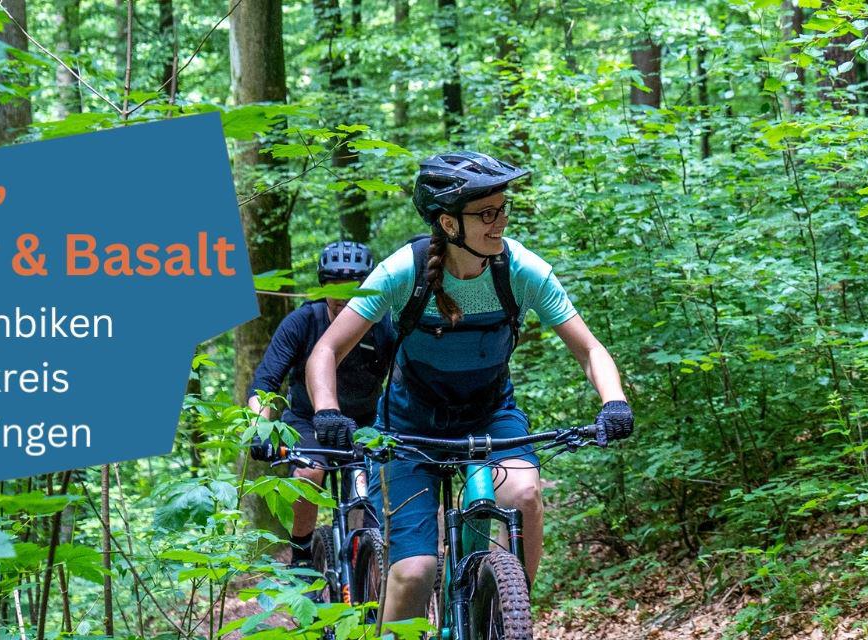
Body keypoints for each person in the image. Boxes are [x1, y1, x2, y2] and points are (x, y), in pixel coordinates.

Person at [304, 151, 633, 622]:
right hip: (409, 426)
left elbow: (590, 350)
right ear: (449, 223)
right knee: (416, 572)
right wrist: (327, 411)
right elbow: (326, 351)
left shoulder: (521, 270)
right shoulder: (403, 272)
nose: (500, 222)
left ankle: (505, 616)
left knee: (523, 495)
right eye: (486, 213)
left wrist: (614, 401)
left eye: (503, 209)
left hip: (491, 414)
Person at [247, 240, 398, 568]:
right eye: (336, 286)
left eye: (354, 287)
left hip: (363, 423)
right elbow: (265, 382)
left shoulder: (383, 327)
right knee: (309, 472)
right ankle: (301, 555)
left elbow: (405, 380)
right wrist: (260, 427)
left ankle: (367, 567)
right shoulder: (302, 322)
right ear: (323, 285)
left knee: (367, 492)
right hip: (306, 421)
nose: (344, 296)